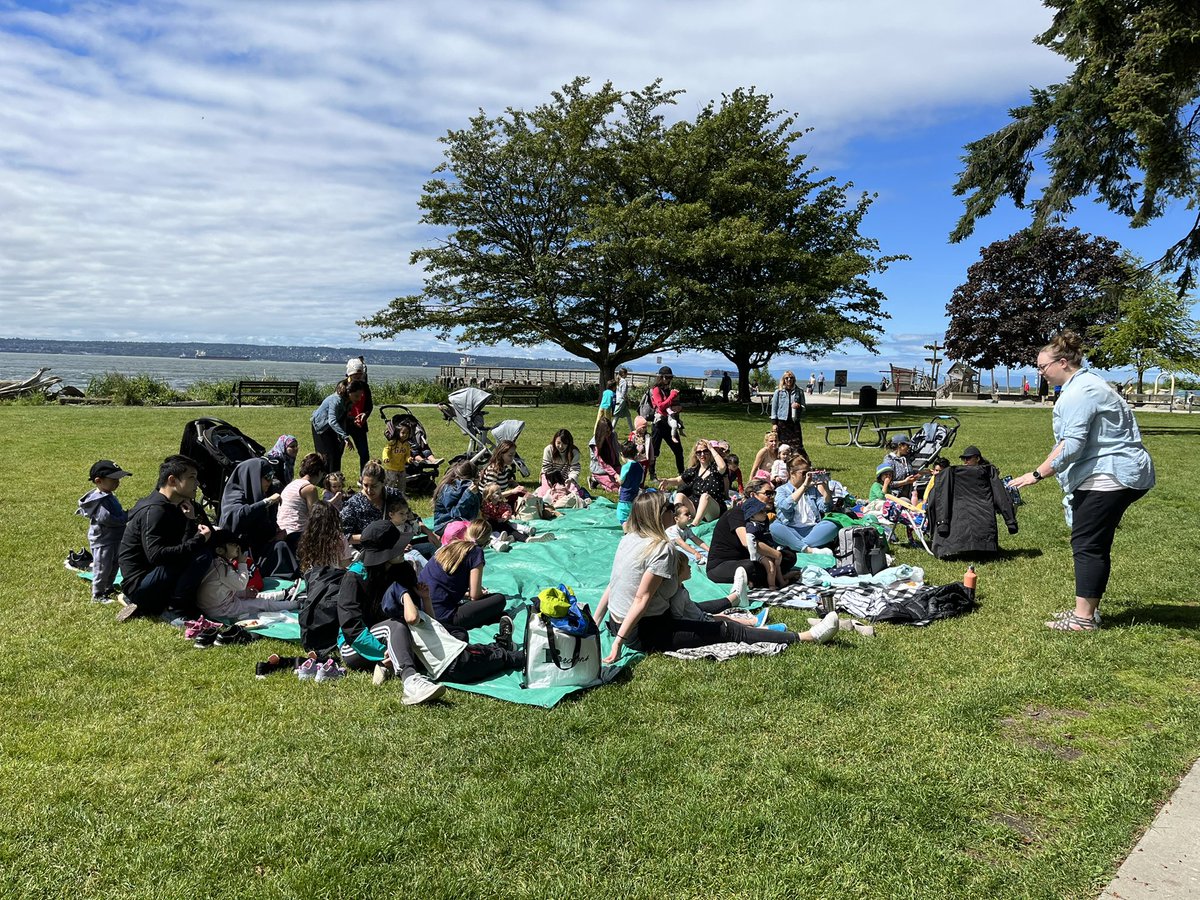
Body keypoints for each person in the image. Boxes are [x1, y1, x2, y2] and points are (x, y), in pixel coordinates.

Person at [1008, 331, 1155, 632]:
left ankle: (1084, 619)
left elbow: (1072, 443)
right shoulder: (1085, 385)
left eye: (1043, 367)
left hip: (1109, 474)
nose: (1041, 374)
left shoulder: (1080, 392)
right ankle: (1086, 612)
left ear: (1062, 363)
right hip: (1112, 473)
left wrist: (1036, 474)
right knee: (1091, 540)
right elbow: (1069, 441)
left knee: (1088, 543)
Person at [595, 492, 837, 662]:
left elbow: (612, 586)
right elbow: (641, 598)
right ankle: (804, 637)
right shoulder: (661, 548)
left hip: (620, 622)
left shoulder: (628, 539)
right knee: (726, 631)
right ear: (659, 516)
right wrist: (619, 642)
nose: (673, 511)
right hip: (644, 631)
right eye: (668, 508)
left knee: (692, 608)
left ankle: (733, 600)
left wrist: (597, 623)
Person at [333, 521, 446, 705]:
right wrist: (386, 651)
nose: (404, 549)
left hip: (397, 636)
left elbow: (414, 616)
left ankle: (387, 665)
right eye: (397, 547)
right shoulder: (354, 577)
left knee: (452, 634)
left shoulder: (404, 569)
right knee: (395, 626)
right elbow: (351, 628)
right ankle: (411, 682)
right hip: (356, 644)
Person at [116, 455, 214, 622]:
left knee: (200, 552)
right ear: (172, 480)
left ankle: (171, 603)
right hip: (140, 586)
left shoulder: (182, 505)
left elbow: (182, 544)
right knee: (200, 555)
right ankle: (174, 610)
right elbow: (157, 556)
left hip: (155, 576)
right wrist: (199, 540)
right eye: (192, 478)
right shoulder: (155, 510)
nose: (197, 484)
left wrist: (190, 522)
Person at [705, 479, 799, 589]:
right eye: (768, 493)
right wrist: (775, 555)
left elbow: (764, 543)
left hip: (751, 558)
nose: (772, 497)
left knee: (790, 556)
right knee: (749, 568)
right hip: (722, 565)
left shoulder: (763, 517)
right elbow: (747, 542)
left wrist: (776, 555)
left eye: (773, 493)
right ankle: (774, 579)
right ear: (753, 495)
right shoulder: (737, 513)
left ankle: (765, 578)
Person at [418, 519, 508, 630]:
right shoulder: (476, 552)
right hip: (443, 617)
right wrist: (481, 593)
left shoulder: (449, 546)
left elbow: (446, 584)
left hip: (420, 610)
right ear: (487, 541)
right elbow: (475, 596)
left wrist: (466, 594)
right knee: (499, 599)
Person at [218, 457, 297, 578]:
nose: (270, 482)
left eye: (272, 476)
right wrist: (266, 502)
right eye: (267, 477)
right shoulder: (234, 494)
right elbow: (236, 518)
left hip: (259, 551)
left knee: (294, 539)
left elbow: (266, 527)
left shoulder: (261, 495)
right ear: (253, 477)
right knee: (281, 549)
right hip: (241, 556)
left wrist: (277, 533)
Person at [196, 529, 297, 621]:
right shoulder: (221, 567)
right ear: (220, 550)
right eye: (233, 544)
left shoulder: (217, 563)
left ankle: (284, 594)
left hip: (220, 602)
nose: (237, 547)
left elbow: (227, 587)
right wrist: (242, 564)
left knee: (254, 596)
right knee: (261, 604)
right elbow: (241, 584)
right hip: (221, 610)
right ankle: (295, 604)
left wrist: (244, 593)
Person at [77, 459, 132, 604]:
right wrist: (127, 516)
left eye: (118, 479)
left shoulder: (108, 495)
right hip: (103, 541)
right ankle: (98, 594)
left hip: (114, 538)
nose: (117, 482)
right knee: (102, 567)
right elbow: (108, 519)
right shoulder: (99, 500)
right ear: (98, 481)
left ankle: (108, 588)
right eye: (114, 479)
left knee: (115, 564)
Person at [770, 456, 841, 552]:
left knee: (833, 525)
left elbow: (825, 508)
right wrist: (804, 486)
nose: (807, 477)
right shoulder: (781, 490)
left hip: (812, 529)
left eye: (809, 472)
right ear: (792, 473)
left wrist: (826, 489)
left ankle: (795, 546)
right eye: (804, 473)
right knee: (774, 527)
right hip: (791, 529)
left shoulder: (812, 490)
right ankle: (809, 550)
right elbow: (786, 507)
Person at [659, 438, 728, 526]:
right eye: (699, 452)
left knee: (705, 496)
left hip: (713, 510)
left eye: (705, 451)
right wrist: (667, 481)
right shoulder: (694, 470)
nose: (702, 454)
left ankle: (694, 524)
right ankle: (676, 521)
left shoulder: (715, 468)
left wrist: (711, 448)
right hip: (696, 508)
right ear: (696, 455)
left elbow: (722, 467)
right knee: (679, 495)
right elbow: (678, 480)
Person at [341, 460, 404, 545]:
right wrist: (373, 537)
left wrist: (428, 533)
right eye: (365, 485)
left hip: (397, 546)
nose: (369, 490)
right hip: (368, 552)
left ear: (383, 483)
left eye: (374, 486)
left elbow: (410, 517)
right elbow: (344, 536)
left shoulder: (394, 495)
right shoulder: (353, 504)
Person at [310, 379, 362, 475]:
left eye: (360, 396)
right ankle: (324, 480)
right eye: (356, 396)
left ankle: (335, 480)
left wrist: (353, 419)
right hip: (321, 427)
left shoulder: (348, 401)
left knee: (336, 455)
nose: (358, 399)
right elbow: (332, 420)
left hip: (331, 427)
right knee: (327, 456)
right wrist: (345, 437)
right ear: (349, 392)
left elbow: (342, 416)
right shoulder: (336, 400)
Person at [649, 367, 685, 477]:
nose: (669, 380)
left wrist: (678, 407)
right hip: (659, 424)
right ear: (661, 377)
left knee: (678, 450)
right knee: (654, 451)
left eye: (670, 377)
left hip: (669, 423)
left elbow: (670, 404)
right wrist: (672, 395)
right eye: (667, 377)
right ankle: (652, 474)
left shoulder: (667, 390)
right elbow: (661, 406)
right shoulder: (656, 390)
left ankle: (682, 474)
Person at [432, 460, 482, 538]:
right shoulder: (449, 490)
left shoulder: (469, 487)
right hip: (445, 524)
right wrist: (468, 494)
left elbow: (476, 507)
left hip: (464, 521)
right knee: (466, 530)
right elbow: (455, 513)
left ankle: (494, 539)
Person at [538, 428, 589, 505]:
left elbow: (574, 469)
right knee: (547, 493)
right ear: (554, 441)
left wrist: (571, 479)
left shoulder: (574, 452)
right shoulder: (548, 450)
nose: (561, 446)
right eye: (558, 443)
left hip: (566, 478)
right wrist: (554, 483)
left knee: (572, 491)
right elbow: (546, 469)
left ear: (569, 443)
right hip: (549, 477)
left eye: (564, 443)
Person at [344, 358, 374, 474]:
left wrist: (365, 415)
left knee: (364, 453)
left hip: (360, 424)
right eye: (355, 375)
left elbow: (369, 405)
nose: (358, 377)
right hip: (346, 423)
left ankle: (363, 477)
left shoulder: (365, 387)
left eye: (360, 375)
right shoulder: (343, 386)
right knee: (338, 452)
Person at [771, 371, 806, 456]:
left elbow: (804, 407)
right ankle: (781, 464)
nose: (789, 380)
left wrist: (799, 406)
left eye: (791, 378)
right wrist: (774, 423)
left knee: (797, 445)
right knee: (781, 445)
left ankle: (798, 462)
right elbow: (774, 408)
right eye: (786, 378)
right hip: (782, 422)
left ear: (794, 379)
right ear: (783, 379)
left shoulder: (799, 391)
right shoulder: (778, 392)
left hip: (794, 422)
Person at [588, 417, 622, 492]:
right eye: (606, 432)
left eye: (610, 431)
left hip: (614, 466)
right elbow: (603, 463)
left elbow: (618, 447)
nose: (608, 433)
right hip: (601, 471)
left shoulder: (613, 435)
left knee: (626, 482)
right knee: (616, 488)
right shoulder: (595, 443)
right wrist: (615, 475)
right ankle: (595, 479)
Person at [381, 418, 412, 493]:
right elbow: (385, 450)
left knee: (402, 482)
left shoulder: (407, 445)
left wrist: (409, 459)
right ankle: (388, 493)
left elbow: (407, 455)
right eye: (403, 433)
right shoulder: (393, 442)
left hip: (401, 467)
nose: (405, 435)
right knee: (391, 481)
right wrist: (386, 458)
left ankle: (401, 494)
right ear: (398, 432)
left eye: (407, 433)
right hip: (391, 467)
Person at [616, 440, 643, 526]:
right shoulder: (639, 466)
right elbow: (641, 480)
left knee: (622, 516)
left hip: (625, 496)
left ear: (622, 454)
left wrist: (617, 477)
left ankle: (626, 532)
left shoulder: (626, 466)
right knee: (632, 516)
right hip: (635, 496)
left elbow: (621, 481)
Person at [612, 367, 634, 435]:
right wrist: (628, 401)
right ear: (624, 374)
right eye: (626, 373)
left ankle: (632, 431)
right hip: (622, 401)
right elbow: (623, 393)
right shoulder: (624, 381)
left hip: (619, 400)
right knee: (616, 416)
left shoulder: (618, 380)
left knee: (628, 415)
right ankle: (611, 430)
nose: (627, 374)